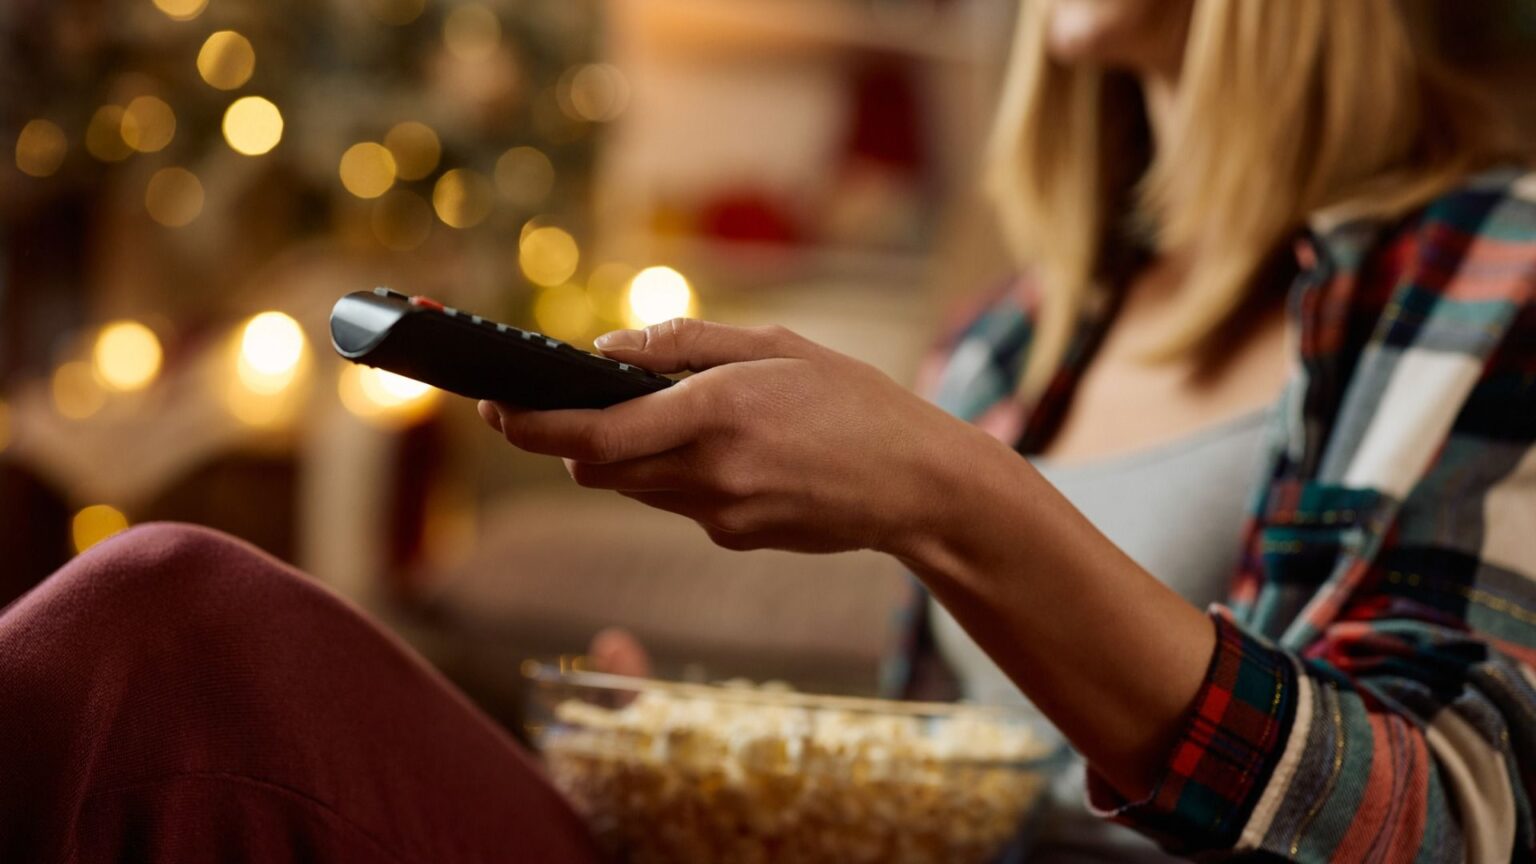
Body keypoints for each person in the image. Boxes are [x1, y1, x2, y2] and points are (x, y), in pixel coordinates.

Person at [1, 1, 1532, 862]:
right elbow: (965, 798)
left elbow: (1456, 824)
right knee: (162, 642)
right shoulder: (1014, 339)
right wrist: (717, 777)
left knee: (165, 618)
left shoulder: (1498, 272)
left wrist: (953, 495)